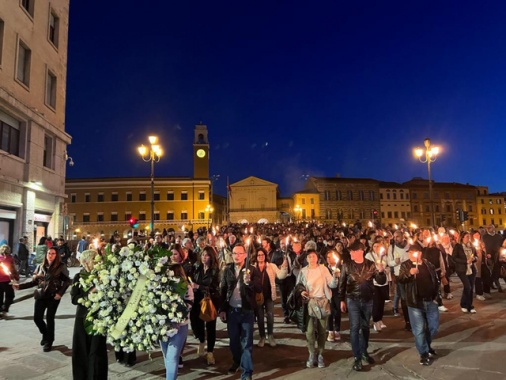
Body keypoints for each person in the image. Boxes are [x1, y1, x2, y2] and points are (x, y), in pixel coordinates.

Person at [339, 241, 386, 371]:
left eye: (353, 251)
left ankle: (364, 351)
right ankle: (357, 357)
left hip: (367, 300)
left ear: (360, 251)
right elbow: (341, 283)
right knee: (354, 327)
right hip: (352, 300)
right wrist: (341, 300)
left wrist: (381, 272)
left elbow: (380, 281)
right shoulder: (347, 265)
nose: (350, 253)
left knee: (365, 327)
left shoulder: (371, 265)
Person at [219, 243, 262, 380]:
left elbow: (260, 288)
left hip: (247, 311)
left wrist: (250, 283)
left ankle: (247, 372)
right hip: (232, 311)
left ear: (245, 255)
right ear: (231, 255)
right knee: (233, 342)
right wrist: (222, 309)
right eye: (234, 253)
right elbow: (223, 290)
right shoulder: (228, 269)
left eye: (239, 253)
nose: (237, 256)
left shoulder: (252, 270)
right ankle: (237, 360)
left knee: (247, 342)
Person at [16, 246, 71, 352]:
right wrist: (19, 286)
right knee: (37, 318)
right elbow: (34, 282)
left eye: (53, 254)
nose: (51, 255)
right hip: (41, 295)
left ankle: (49, 341)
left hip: (53, 296)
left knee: (50, 318)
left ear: (57, 255)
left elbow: (67, 281)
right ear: (46, 254)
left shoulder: (61, 266)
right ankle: (45, 333)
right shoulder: (40, 266)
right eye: (49, 253)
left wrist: (60, 293)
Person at [398, 243, 440, 366]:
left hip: (430, 301)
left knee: (433, 327)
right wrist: (409, 273)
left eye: (413, 253)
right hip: (415, 303)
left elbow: (435, 281)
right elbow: (400, 279)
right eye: (409, 253)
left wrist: (437, 297)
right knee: (419, 329)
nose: (410, 255)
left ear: (419, 253)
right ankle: (424, 353)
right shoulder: (406, 265)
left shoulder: (428, 264)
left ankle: (426, 346)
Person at [297, 249, 339, 368]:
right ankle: (311, 353)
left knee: (321, 330)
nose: (311, 259)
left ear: (317, 258)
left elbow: (332, 284)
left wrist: (335, 277)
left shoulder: (323, 269)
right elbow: (298, 286)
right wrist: (301, 292)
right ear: (306, 259)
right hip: (309, 302)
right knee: (309, 331)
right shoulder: (303, 271)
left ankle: (320, 354)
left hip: (322, 302)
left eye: (313, 256)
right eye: (309, 257)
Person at [70, 249, 108, 380]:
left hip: (100, 317)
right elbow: (74, 299)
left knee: (97, 352)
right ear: (86, 261)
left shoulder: (103, 276)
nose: (97, 261)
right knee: (82, 350)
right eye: (94, 259)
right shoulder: (78, 277)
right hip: (82, 318)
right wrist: (90, 292)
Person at [160, 263, 194, 380]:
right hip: (164, 326)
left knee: (172, 356)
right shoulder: (163, 286)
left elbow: (189, 305)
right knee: (166, 355)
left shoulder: (186, 287)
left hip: (180, 326)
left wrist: (177, 317)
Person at [190, 246, 221, 365]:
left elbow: (215, 288)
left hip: (209, 301)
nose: (204, 257)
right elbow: (192, 279)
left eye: (207, 255)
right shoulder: (197, 268)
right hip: (197, 301)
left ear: (211, 257)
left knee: (210, 327)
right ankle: (202, 341)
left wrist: (200, 287)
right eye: (203, 255)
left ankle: (210, 352)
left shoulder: (215, 271)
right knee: (197, 325)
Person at [254, 247, 288, 348]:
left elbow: (281, 275)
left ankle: (270, 335)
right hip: (258, 296)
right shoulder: (253, 267)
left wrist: (284, 268)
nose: (261, 257)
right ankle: (262, 336)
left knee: (270, 316)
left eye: (262, 255)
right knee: (260, 317)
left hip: (269, 295)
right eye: (259, 255)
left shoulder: (271, 266)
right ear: (256, 257)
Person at [365, 241, 390, 332]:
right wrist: (377, 269)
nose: (376, 247)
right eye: (374, 246)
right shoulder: (369, 256)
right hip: (374, 282)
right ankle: (375, 321)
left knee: (382, 302)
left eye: (378, 246)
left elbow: (388, 267)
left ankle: (380, 319)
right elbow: (368, 268)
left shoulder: (385, 256)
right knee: (376, 302)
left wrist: (385, 270)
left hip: (383, 282)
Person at [453, 232, 477, 313]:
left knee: (470, 288)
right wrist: (465, 261)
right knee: (468, 287)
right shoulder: (458, 246)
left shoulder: (472, 246)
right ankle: (463, 304)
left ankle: (470, 306)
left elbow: (475, 255)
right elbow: (454, 257)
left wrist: (473, 259)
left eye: (469, 237)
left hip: (472, 269)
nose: (468, 238)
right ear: (462, 238)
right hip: (462, 270)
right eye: (467, 237)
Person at [324, 249, 342, 342]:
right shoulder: (324, 268)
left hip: (338, 293)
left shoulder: (340, 267)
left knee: (338, 311)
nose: (329, 259)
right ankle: (330, 330)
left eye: (331, 257)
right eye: (327, 257)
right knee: (330, 312)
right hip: (328, 292)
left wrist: (339, 276)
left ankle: (337, 330)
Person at [0, 244, 19, 318]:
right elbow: (13, 269)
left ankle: (0, 310)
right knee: (10, 295)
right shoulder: (10, 258)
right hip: (7, 280)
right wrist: (16, 278)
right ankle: (5, 308)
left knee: (0, 297)